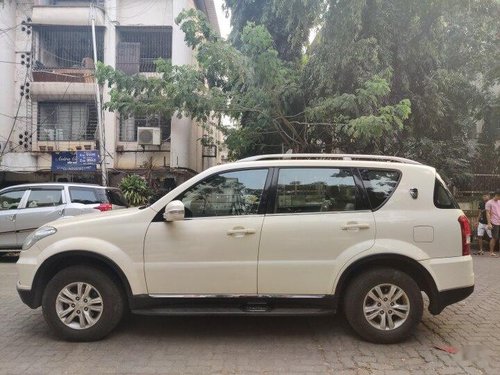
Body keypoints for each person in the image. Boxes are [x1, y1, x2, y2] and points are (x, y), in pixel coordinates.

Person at [485, 191, 500, 257]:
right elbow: (487, 213)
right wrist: (489, 223)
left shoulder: (499, 201)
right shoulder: (489, 203)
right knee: (494, 238)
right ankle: (491, 252)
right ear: (496, 195)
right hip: (494, 222)